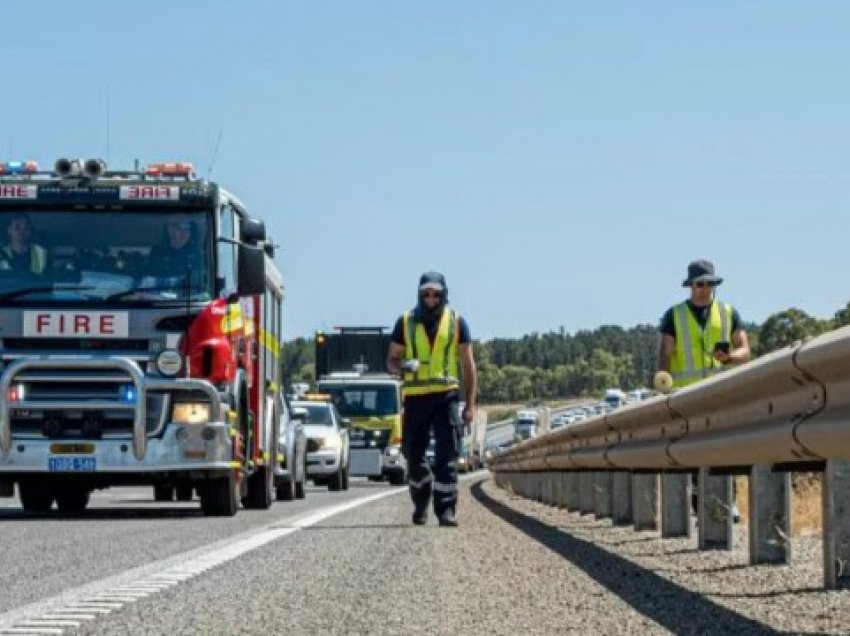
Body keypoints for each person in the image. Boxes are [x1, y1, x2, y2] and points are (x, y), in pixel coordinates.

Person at [659, 259, 751, 521]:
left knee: (726, 447)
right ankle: (701, 507)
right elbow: (665, 352)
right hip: (687, 396)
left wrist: (730, 357)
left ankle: (728, 502)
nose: (705, 288)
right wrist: (663, 383)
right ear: (690, 286)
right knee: (694, 450)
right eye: (700, 284)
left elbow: (745, 350)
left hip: (720, 392)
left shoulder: (728, 312)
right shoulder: (674, 315)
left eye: (709, 283)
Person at [387, 272, 477, 527]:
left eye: (436, 294)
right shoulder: (404, 322)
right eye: (426, 293)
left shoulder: (457, 322)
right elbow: (390, 361)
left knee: (447, 454)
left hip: (446, 395)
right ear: (419, 294)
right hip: (415, 398)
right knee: (413, 455)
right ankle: (421, 500)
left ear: (444, 294)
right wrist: (403, 366)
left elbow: (469, 367)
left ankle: (446, 509)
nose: (431, 298)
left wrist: (469, 406)